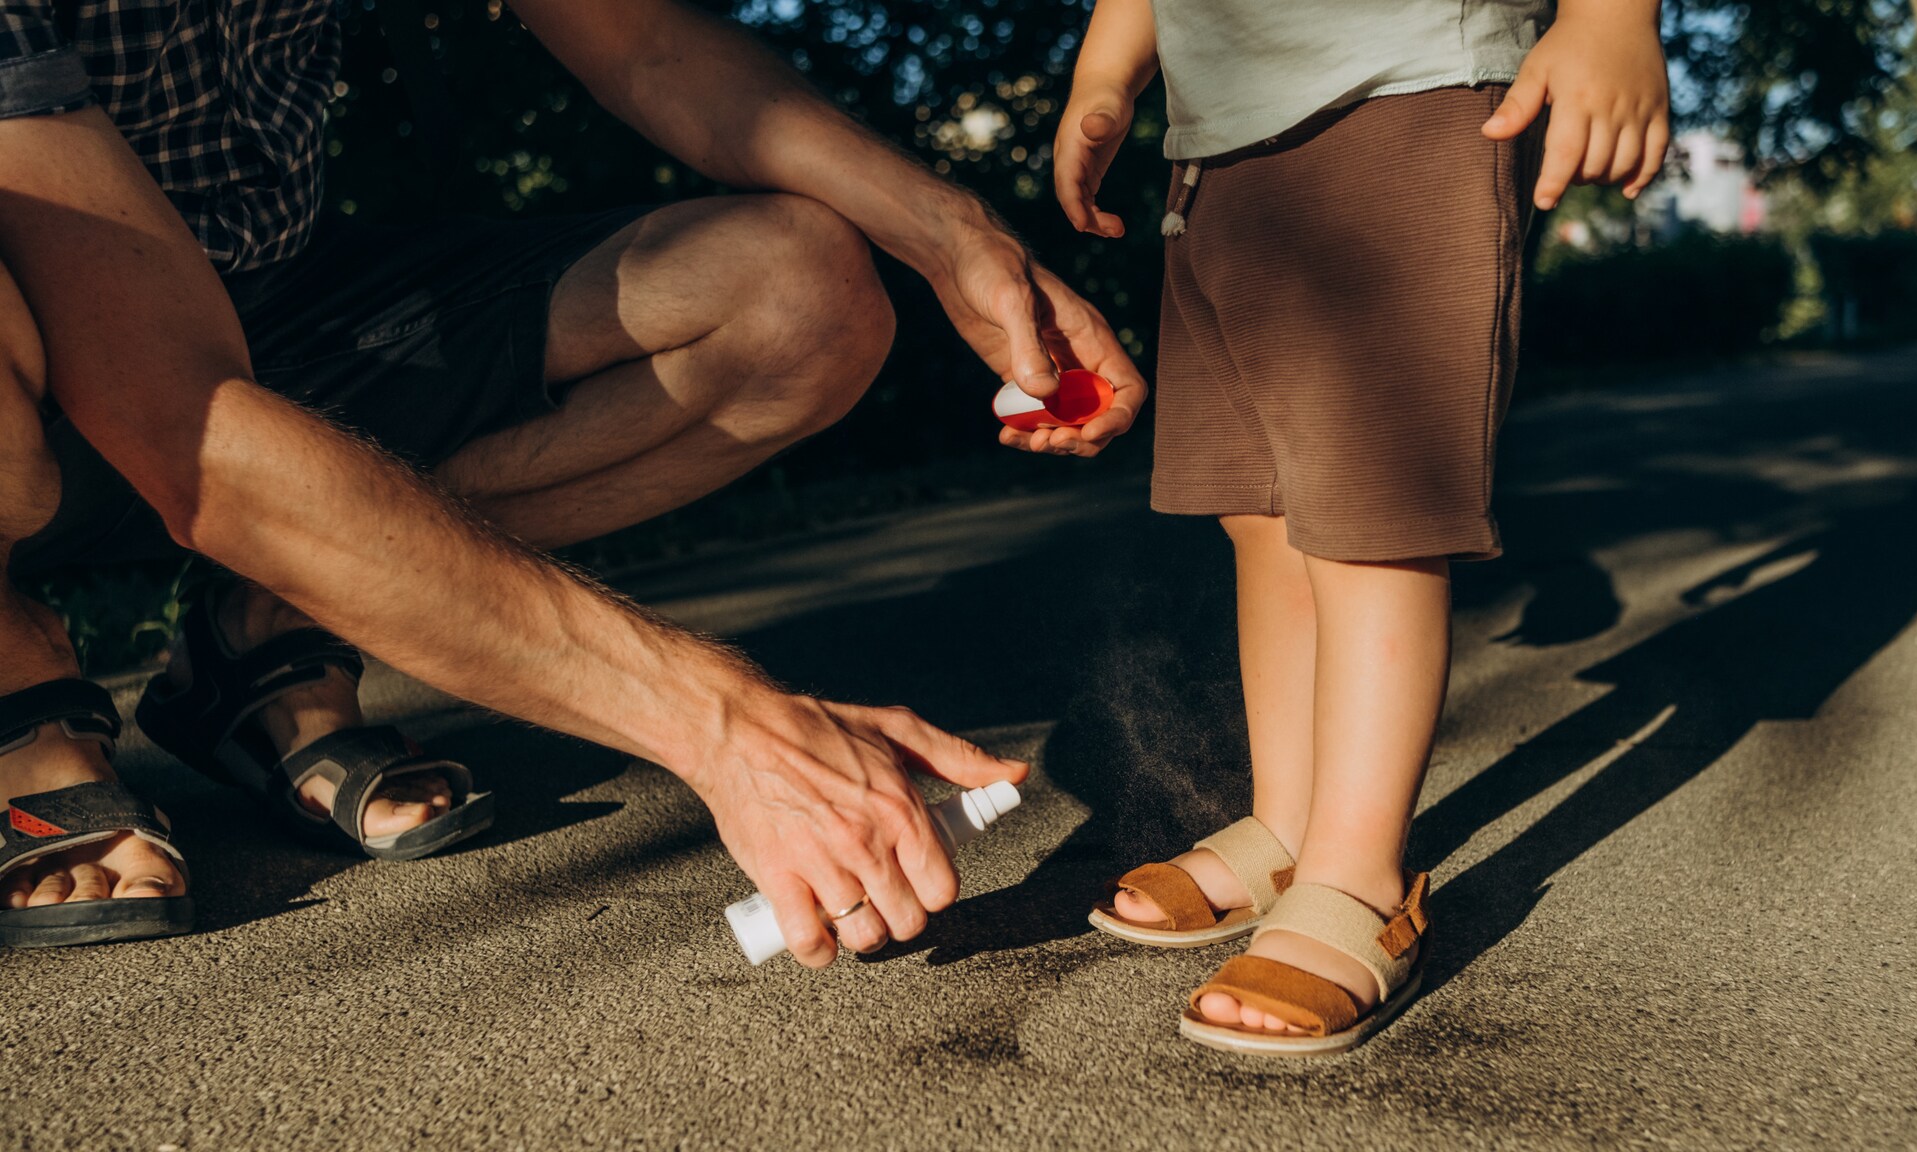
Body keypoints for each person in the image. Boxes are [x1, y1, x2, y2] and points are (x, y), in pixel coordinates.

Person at [0, 0, 1146, 960]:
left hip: (278, 296)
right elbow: (185, 426)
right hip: (77, 364)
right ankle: (18, 683)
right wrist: (726, 725)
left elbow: (641, 40)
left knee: (797, 298)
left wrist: (951, 237)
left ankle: (266, 631)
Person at [1054, 0, 1668, 1053]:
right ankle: (1290, 825)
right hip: (1213, 150)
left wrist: (1614, 18)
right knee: (1258, 509)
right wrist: (1106, 70)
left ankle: (1356, 874)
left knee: (1368, 515)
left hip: (1406, 89)